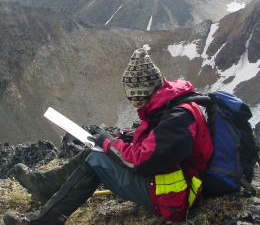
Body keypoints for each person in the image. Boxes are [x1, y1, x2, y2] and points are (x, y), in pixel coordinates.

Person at [3, 45, 213, 225]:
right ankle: (43, 186)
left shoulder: (177, 119)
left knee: (97, 159)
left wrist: (110, 144)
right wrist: (123, 137)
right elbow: (157, 140)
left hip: (173, 198)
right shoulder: (172, 105)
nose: (131, 102)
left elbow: (142, 162)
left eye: (131, 96)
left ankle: (44, 220)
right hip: (168, 182)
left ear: (141, 92)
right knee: (94, 152)